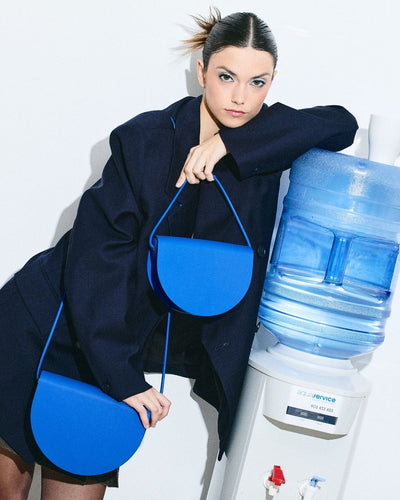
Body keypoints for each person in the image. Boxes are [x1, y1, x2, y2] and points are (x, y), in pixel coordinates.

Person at [0, 7, 358, 500]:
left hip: (113, 343)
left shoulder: (264, 144)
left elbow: (341, 124)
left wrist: (229, 145)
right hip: (48, 323)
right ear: (202, 71)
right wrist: (123, 379)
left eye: (257, 82)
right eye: (227, 77)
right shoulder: (146, 139)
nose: (240, 97)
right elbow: (96, 266)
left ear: (272, 82)